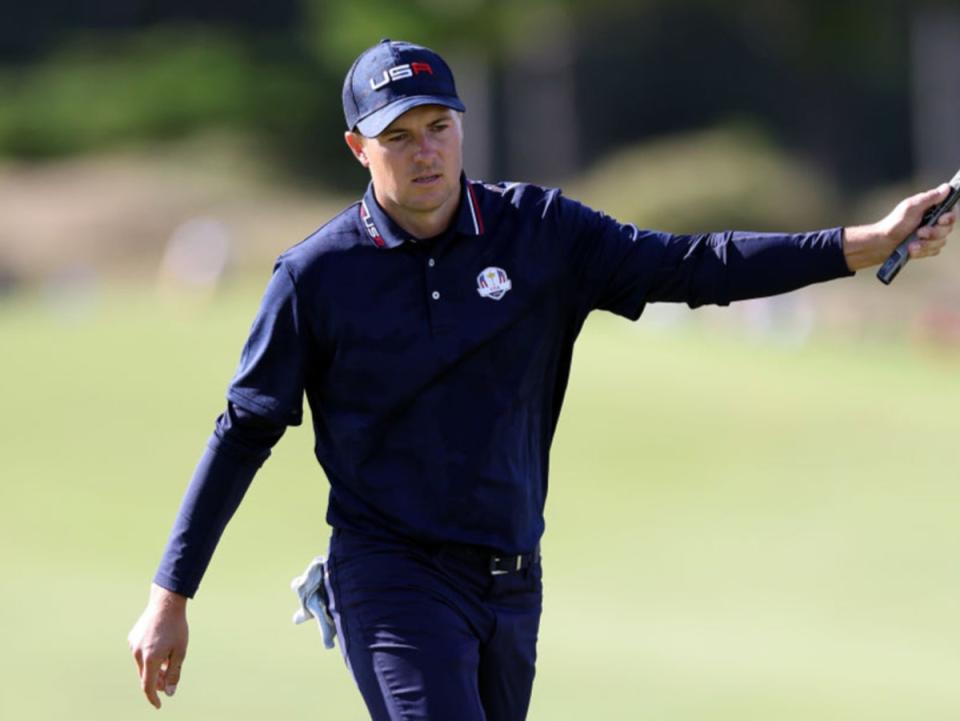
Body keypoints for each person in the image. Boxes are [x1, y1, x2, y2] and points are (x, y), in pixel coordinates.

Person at [127, 39, 955, 721]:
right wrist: (172, 593)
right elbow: (245, 429)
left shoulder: (540, 233)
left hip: (510, 577)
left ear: (462, 125)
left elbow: (697, 267)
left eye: (438, 127)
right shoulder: (315, 276)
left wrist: (867, 242)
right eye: (399, 136)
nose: (425, 153)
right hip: (392, 572)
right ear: (358, 148)